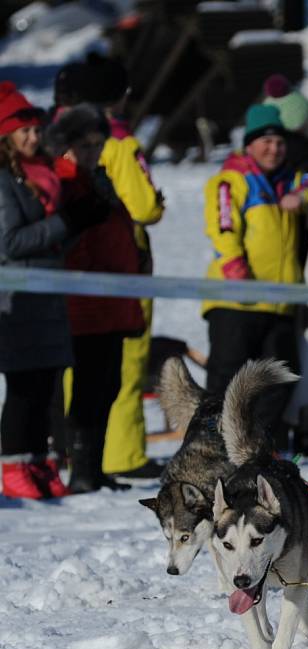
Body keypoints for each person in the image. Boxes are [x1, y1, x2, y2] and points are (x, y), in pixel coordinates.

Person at [56, 52, 167, 480]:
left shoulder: (63, 137)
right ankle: (122, 455)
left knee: (80, 366)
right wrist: (155, 202)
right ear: (118, 97)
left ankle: (81, 455)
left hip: (82, 260)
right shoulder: (119, 141)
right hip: (120, 258)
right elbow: (143, 206)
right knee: (124, 360)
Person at [201, 104, 308, 433]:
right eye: (266, 142)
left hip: (279, 302)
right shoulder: (232, 180)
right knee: (226, 384)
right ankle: (212, 450)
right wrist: (235, 265)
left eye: (279, 143)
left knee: (279, 381)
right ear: (250, 144)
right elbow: (223, 225)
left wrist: (302, 196)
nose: (273, 149)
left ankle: (258, 452)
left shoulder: (291, 180)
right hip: (237, 301)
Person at [0, 82, 98, 499]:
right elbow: (10, 243)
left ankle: (40, 461)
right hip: (19, 300)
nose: (34, 138)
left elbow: (51, 242)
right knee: (23, 387)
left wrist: (77, 224)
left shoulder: (40, 177)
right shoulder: (3, 182)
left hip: (49, 296)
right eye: (24, 131)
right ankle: (13, 464)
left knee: (45, 385)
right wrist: (65, 223)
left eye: (37, 130)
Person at [45, 104, 145, 493]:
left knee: (109, 385)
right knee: (87, 389)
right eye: (83, 145)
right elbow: (69, 242)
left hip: (113, 300)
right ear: (66, 146)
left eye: (97, 144)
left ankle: (95, 466)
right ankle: (82, 469)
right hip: (85, 303)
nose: (92, 152)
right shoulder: (64, 182)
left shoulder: (96, 180)